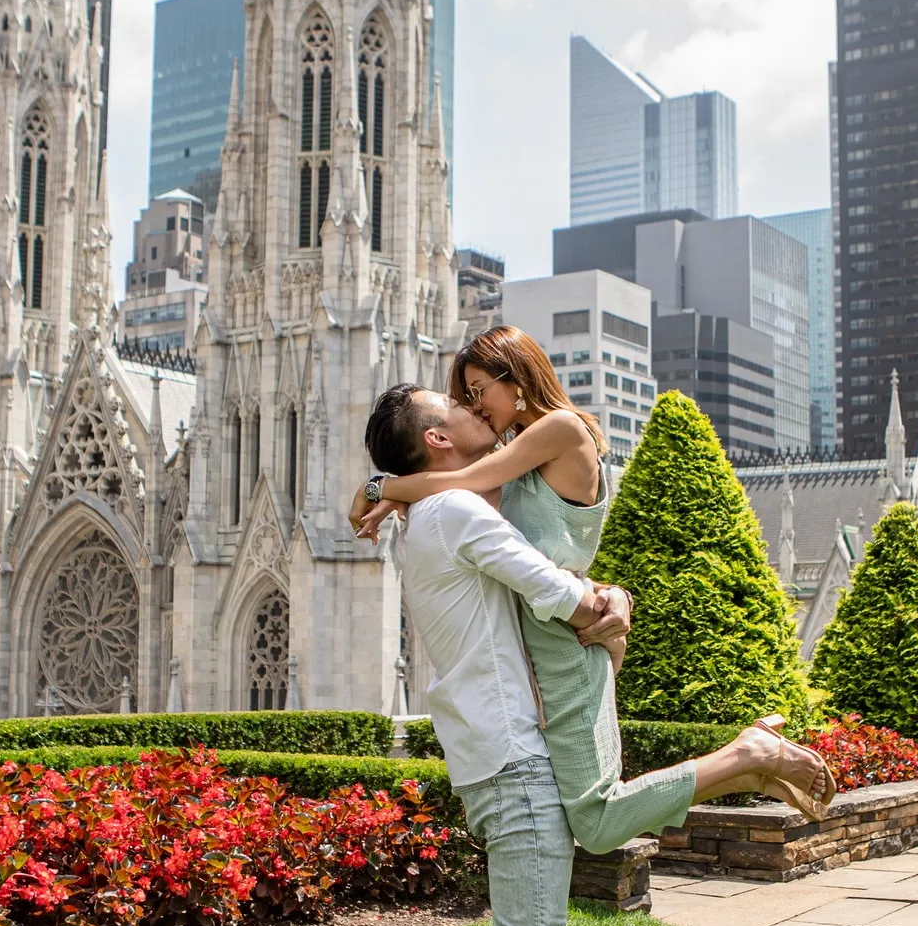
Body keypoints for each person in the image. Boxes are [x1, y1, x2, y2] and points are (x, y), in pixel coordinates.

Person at [358, 381, 836, 926]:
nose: (484, 418)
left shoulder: (432, 517)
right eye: (464, 409)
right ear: (438, 439)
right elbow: (567, 597)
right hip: (513, 758)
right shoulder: (463, 516)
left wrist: (380, 491)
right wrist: (611, 602)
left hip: (488, 754)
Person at [352, 327, 835, 857]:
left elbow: (463, 484)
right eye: (463, 398)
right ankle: (749, 768)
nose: (475, 406)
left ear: (516, 379)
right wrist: (396, 494)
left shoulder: (559, 429)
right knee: (592, 813)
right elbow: (462, 498)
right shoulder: (515, 458)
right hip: (548, 640)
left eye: (477, 390)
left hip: (567, 645)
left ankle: (748, 754)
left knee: (598, 822)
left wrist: (381, 487)